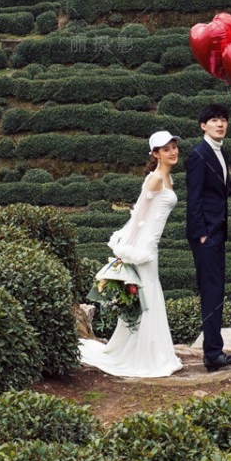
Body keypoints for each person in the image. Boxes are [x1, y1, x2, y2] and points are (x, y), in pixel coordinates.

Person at [78, 130, 184, 378]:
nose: (173, 152)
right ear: (155, 154)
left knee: (150, 295)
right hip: (144, 247)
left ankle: (150, 351)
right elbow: (138, 216)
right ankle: (145, 356)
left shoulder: (168, 179)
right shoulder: (155, 179)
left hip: (152, 246)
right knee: (147, 298)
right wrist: (127, 249)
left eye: (174, 147)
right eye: (166, 149)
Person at [185, 103, 231, 371]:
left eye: (224, 120)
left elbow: (219, 192)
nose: (220, 124)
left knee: (216, 292)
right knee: (212, 291)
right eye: (214, 120)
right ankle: (212, 355)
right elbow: (193, 200)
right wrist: (201, 234)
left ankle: (214, 351)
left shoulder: (219, 151)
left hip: (217, 232)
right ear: (203, 125)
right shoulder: (198, 155)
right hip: (207, 236)